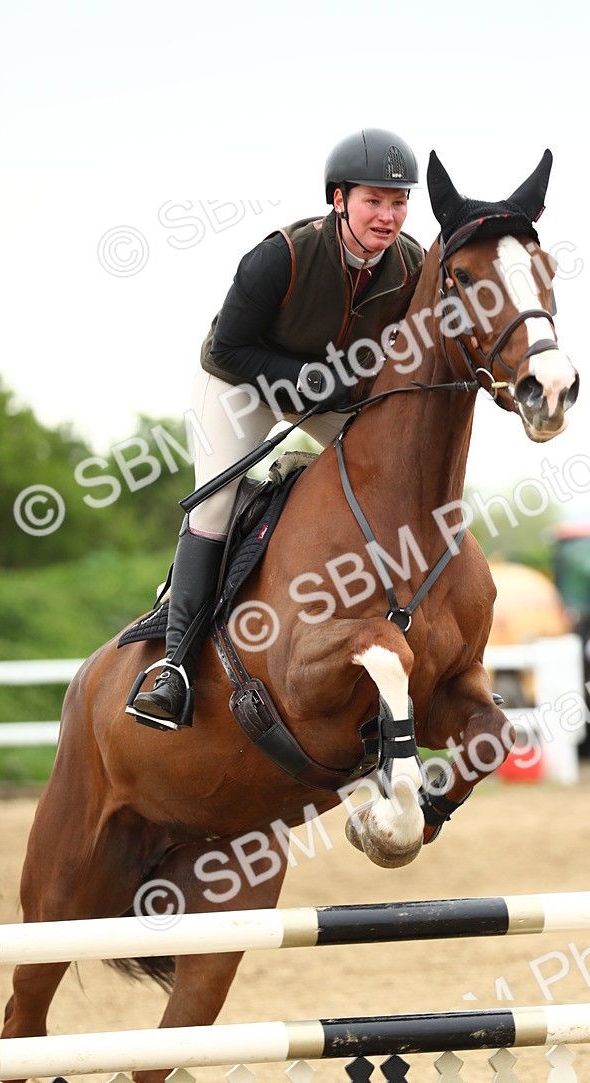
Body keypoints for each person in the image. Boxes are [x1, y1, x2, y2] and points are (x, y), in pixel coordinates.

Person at [131, 129, 424, 728]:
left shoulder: (411, 264)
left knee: (391, 483)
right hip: (240, 384)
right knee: (214, 505)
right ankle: (175, 668)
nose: (387, 216)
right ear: (339, 199)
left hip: (326, 390)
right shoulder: (281, 256)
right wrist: (317, 380)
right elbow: (229, 348)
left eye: (398, 202)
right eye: (373, 200)